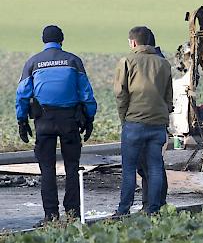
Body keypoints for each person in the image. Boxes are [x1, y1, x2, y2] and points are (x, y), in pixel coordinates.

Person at [15, 25, 97, 224]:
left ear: (44, 41)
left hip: (44, 121)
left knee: (47, 169)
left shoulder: (33, 62)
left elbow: (22, 94)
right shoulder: (73, 61)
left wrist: (22, 120)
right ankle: (73, 214)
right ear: (62, 40)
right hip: (69, 120)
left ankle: (51, 216)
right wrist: (89, 117)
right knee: (71, 167)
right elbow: (86, 93)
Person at [114, 26, 172, 215]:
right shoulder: (164, 64)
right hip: (158, 124)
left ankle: (124, 210)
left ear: (133, 42)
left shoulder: (127, 61)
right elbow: (168, 97)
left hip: (134, 123)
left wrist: (125, 119)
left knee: (129, 169)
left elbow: (120, 94)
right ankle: (153, 209)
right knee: (155, 167)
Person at [137, 28, 169, 212]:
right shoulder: (161, 61)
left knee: (149, 165)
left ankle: (152, 204)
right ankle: (153, 203)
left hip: (145, 120)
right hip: (158, 119)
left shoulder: (148, 63)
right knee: (153, 164)